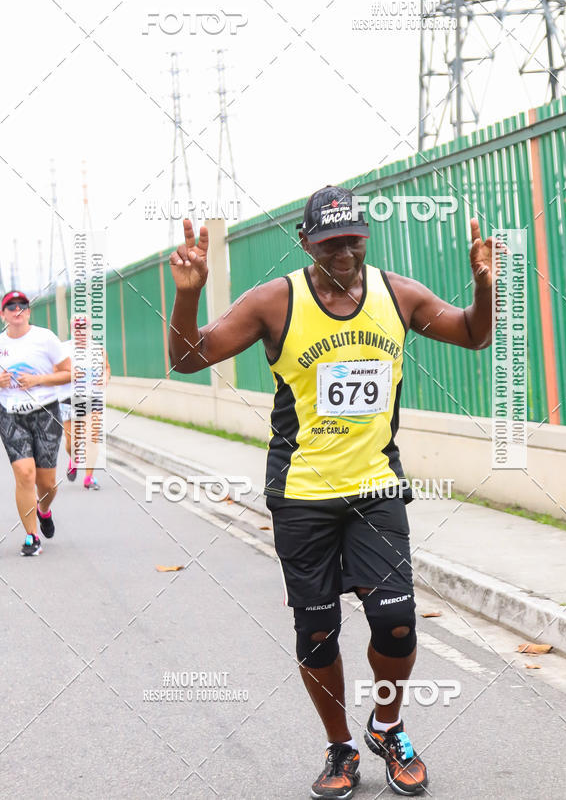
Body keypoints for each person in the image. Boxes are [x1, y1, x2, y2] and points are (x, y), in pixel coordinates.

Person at [168, 186, 498, 798]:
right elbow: (189, 358)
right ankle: (340, 746)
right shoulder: (274, 302)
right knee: (317, 633)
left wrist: (484, 287)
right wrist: (188, 297)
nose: (343, 252)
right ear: (306, 243)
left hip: (376, 488)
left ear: (364, 237)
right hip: (301, 495)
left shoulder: (398, 295)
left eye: (352, 240)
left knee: (395, 622)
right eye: (329, 243)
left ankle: (387, 727)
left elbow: (474, 335)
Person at [0, 291, 71, 556]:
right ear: (3, 314)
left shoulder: (45, 338)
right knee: (25, 473)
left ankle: (44, 510)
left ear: (29, 312)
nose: (17, 310)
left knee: (47, 483)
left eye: (22, 306)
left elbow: (69, 373)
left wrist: (38, 380)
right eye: (11, 306)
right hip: (10, 413)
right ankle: (32, 536)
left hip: (45, 412)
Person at [58, 316, 110, 489]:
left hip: (92, 398)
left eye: (84, 327)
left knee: (92, 437)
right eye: (77, 328)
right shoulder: (63, 350)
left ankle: (89, 478)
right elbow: (53, 371)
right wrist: (69, 375)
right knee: (71, 441)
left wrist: (105, 377)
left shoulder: (98, 350)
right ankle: (74, 459)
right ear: (72, 330)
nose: (81, 331)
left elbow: (106, 367)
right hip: (68, 398)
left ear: (90, 330)